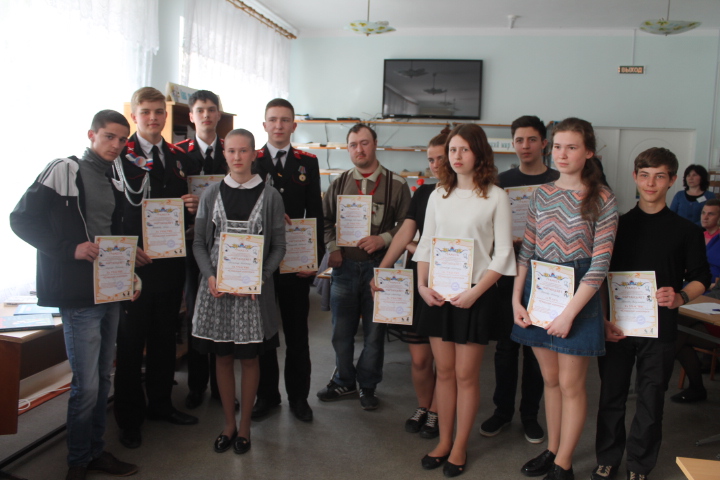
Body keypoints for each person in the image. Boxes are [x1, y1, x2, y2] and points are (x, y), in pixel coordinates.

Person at [10, 110, 140, 480]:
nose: (116, 145)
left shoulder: (113, 177)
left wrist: (129, 267)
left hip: (109, 289)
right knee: (86, 385)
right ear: (91, 135)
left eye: (122, 139)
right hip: (78, 293)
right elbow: (21, 219)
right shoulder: (63, 169)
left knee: (102, 378)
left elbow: (109, 234)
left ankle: (95, 451)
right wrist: (70, 249)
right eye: (109, 136)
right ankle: (79, 460)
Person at [593, 147, 710, 480]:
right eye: (644, 175)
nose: (650, 183)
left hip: (660, 327)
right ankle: (607, 458)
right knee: (611, 395)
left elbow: (702, 276)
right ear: (635, 177)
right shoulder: (616, 225)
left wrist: (681, 295)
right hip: (617, 326)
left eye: (659, 176)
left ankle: (639, 465)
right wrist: (603, 319)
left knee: (651, 398)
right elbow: (598, 276)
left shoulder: (686, 230)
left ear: (672, 180)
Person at [512, 118, 618, 480]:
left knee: (572, 385)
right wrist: (516, 300)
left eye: (571, 147)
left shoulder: (602, 197)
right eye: (557, 146)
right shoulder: (541, 194)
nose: (562, 154)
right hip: (539, 291)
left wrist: (569, 314)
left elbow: (599, 265)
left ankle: (564, 464)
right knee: (551, 379)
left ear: (588, 152)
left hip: (579, 296)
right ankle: (552, 449)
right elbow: (526, 250)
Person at [414, 123, 516, 477]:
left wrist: (474, 292)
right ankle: (443, 441)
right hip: (438, 293)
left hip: (476, 294)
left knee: (465, 375)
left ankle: (459, 446)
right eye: (452, 150)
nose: (457, 157)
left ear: (479, 153)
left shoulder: (496, 196)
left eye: (464, 150)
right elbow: (426, 243)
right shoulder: (438, 195)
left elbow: (503, 254)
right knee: (444, 373)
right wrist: (421, 285)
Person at [109, 87, 200, 449]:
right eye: (145, 112)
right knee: (131, 345)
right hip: (135, 266)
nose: (153, 118)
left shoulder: (179, 158)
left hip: (171, 264)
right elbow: (110, 213)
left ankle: (161, 404)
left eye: (158, 112)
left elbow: (183, 211)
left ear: (166, 114)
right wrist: (126, 251)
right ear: (134, 115)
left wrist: (192, 208)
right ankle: (129, 419)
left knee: (164, 340)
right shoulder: (120, 156)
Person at [192, 128, 286, 455]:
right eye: (231, 151)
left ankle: (245, 427)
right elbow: (199, 242)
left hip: (253, 294)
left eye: (243, 150)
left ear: (254, 154)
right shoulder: (211, 194)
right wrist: (210, 276)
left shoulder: (271, 196)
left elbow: (279, 246)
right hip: (218, 290)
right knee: (222, 356)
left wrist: (259, 277)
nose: (237, 157)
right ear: (224, 153)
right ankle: (228, 424)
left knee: (249, 359)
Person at [317, 123, 411, 410]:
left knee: (374, 333)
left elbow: (408, 224)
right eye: (353, 144)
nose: (359, 149)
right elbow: (326, 221)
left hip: (379, 268)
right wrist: (333, 248)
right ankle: (344, 380)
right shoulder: (339, 183)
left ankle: (368, 385)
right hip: (344, 268)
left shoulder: (397, 184)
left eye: (364, 143)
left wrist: (384, 238)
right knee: (341, 332)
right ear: (348, 149)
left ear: (375, 144)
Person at [479, 115, 557, 444]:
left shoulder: (556, 180)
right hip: (508, 273)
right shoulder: (501, 182)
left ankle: (529, 415)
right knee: (506, 347)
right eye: (519, 140)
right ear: (512, 144)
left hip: (545, 276)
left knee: (536, 348)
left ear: (544, 144)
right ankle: (502, 410)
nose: (525, 146)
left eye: (532, 139)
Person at [369, 131, 447, 438]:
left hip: (450, 280)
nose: (436, 164)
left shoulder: (468, 194)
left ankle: (437, 411)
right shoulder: (424, 192)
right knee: (419, 358)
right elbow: (405, 233)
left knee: (444, 360)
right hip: (419, 278)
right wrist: (383, 269)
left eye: (442, 158)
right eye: (431, 159)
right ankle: (423, 406)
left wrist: (418, 247)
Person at [251, 98, 324, 422]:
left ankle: (299, 398)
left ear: (294, 125)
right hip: (262, 263)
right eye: (273, 119)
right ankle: (267, 396)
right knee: (265, 333)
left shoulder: (307, 162)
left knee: (297, 335)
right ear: (264, 124)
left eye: (284, 120)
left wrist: (314, 260)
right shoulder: (251, 160)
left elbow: (316, 213)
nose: (278, 125)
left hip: (296, 262)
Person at [176, 89, 228, 410]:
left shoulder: (231, 150)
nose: (206, 115)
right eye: (200, 110)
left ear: (219, 114)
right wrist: (185, 205)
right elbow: (166, 203)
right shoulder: (178, 154)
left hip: (225, 247)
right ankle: (197, 385)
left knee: (223, 313)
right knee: (196, 314)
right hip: (192, 246)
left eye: (211, 109)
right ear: (191, 116)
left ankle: (222, 386)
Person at [669, 198, 720, 404]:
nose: (705, 217)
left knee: (676, 332)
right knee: (678, 330)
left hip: (711, 298)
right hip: (697, 294)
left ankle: (652, 377)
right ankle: (696, 387)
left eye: (711, 213)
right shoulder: (697, 235)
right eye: (703, 213)